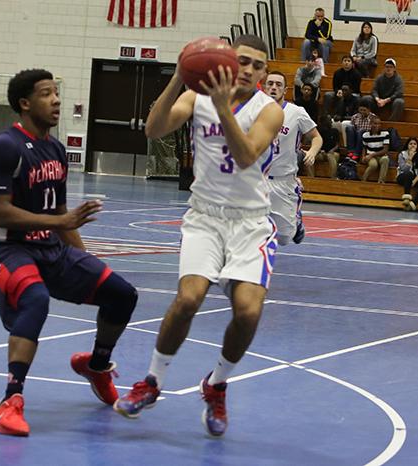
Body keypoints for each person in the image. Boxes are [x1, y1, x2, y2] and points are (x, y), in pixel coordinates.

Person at [113, 35, 283, 437]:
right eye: (243, 60)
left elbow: (245, 156)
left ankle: (216, 385)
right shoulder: (198, 97)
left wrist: (223, 108)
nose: (249, 69)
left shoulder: (269, 111)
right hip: (205, 217)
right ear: (228, 60)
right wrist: (178, 77)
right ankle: (152, 382)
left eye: (258, 65)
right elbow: (153, 130)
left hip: (251, 222)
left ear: (264, 73)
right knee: (188, 298)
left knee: (248, 312)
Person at [0, 69, 139, 437]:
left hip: (48, 248)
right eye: (47, 94)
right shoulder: (5, 146)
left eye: (57, 92)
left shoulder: (57, 150)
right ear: (25, 103)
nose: (57, 100)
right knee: (35, 299)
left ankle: (96, 365)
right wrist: (60, 219)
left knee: (121, 294)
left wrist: (87, 260)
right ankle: (10, 401)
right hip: (2, 245)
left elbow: (62, 220)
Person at [263, 71, 322, 242]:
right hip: (258, 179)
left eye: (278, 84)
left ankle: (296, 221)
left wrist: (311, 152)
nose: (274, 87)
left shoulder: (296, 112)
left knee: (285, 238)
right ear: (265, 87)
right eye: (270, 84)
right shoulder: (254, 111)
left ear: (285, 90)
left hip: (284, 181)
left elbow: (317, 138)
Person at [309, 114, 340, 179]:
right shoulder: (319, 132)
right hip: (322, 153)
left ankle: (333, 177)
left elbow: (337, 145)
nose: (331, 121)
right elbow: (316, 144)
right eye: (329, 120)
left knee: (330, 156)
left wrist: (332, 150)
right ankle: (311, 178)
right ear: (324, 121)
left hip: (333, 152)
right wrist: (320, 151)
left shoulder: (335, 131)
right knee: (309, 158)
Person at [361, 116, 390, 183]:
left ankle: (381, 181)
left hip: (381, 155)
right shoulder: (365, 135)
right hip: (370, 155)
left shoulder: (385, 134)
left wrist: (372, 155)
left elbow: (385, 150)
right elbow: (364, 147)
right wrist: (363, 157)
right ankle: (363, 179)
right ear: (370, 124)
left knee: (385, 159)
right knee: (373, 165)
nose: (377, 126)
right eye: (375, 123)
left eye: (379, 124)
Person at [396, 137, 418, 211]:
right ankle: (406, 198)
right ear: (407, 145)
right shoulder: (402, 154)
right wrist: (410, 158)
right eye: (411, 144)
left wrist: (415, 181)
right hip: (402, 176)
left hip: (414, 178)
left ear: (417, 146)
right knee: (409, 174)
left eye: (415, 144)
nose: (413, 145)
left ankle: (412, 204)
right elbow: (404, 169)